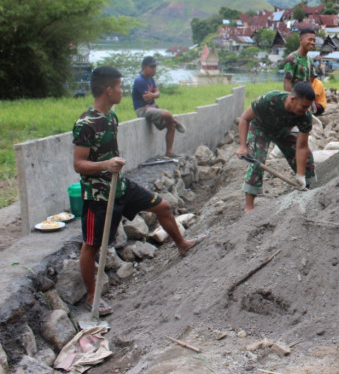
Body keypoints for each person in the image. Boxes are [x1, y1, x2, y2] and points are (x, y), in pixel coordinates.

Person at [73, 66, 206, 316]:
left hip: (120, 186)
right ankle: (92, 296)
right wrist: (105, 165)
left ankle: (182, 244)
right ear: (108, 90)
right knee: (92, 245)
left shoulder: (111, 117)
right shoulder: (85, 123)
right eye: (120, 87)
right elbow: (78, 164)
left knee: (163, 206)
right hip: (98, 195)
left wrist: (113, 166)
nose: (123, 91)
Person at [236, 81, 317, 212]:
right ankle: (249, 207)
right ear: (292, 99)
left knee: (307, 155)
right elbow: (244, 119)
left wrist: (301, 174)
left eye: (307, 107)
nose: (305, 110)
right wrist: (243, 147)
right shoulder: (269, 100)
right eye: (303, 106)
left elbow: (301, 146)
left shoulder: (305, 116)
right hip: (261, 128)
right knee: (257, 160)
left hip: (283, 130)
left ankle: (305, 193)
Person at [132, 56, 186, 158]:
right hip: (143, 109)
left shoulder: (151, 79)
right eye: (152, 66)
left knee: (171, 125)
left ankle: (169, 152)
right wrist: (154, 94)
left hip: (152, 107)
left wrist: (153, 94)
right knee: (166, 113)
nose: (154, 69)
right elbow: (147, 99)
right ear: (144, 67)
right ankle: (176, 121)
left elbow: (157, 93)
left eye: (155, 66)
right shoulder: (140, 80)